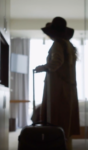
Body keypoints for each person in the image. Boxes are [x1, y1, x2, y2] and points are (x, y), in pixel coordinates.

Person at [34, 17, 80, 150]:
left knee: (56, 120)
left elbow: (56, 62)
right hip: (68, 88)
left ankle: (56, 146)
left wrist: (41, 67)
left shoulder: (57, 45)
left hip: (58, 88)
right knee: (66, 123)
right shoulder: (68, 45)